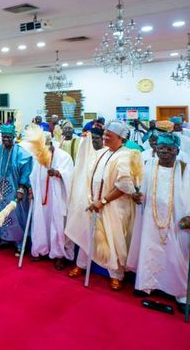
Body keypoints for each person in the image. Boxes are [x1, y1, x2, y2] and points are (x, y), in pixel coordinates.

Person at [127, 133, 190, 314]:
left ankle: (181, 293)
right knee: (150, 250)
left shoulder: (186, 169)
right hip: (151, 220)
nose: (164, 151)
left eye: (169, 149)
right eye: (161, 148)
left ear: (177, 151)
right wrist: (137, 197)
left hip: (179, 223)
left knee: (178, 256)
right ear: (155, 149)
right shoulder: (148, 166)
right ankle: (147, 283)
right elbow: (141, 192)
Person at [67, 121, 140, 291]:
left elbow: (124, 186)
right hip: (94, 204)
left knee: (113, 240)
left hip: (112, 206)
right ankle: (81, 265)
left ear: (121, 138)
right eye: (105, 133)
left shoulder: (125, 155)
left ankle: (116, 275)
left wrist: (104, 201)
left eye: (109, 135)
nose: (105, 137)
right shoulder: (103, 152)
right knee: (87, 235)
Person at [29, 131, 75, 269]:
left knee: (57, 224)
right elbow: (34, 175)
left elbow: (70, 175)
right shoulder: (39, 157)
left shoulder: (64, 156)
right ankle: (41, 249)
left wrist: (58, 173)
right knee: (41, 222)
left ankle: (59, 254)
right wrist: (32, 189)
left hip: (57, 198)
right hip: (41, 198)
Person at [0, 125, 33, 253]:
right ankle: (3, 238)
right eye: (4, 137)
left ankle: (18, 242)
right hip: (0, 190)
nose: (6, 139)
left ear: (14, 137)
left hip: (15, 190)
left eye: (8, 137)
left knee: (16, 215)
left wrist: (22, 187)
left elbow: (27, 169)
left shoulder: (20, 152)